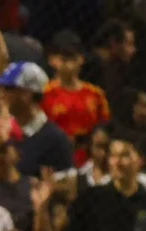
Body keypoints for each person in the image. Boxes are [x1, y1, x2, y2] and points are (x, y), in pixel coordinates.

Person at [0, 62, 74, 178]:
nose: (1, 94)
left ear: (27, 94)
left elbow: (69, 189)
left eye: (8, 88)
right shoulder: (1, 131)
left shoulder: (55, 139)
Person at [40, 30, 108, 162]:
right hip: (54, 158)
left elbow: (105, 128)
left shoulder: (96, 95)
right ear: (51, 60)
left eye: (73, 57)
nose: (69, 64)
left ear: (82, 59)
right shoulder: (43, 94)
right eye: (64, 58)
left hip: (90, 161)